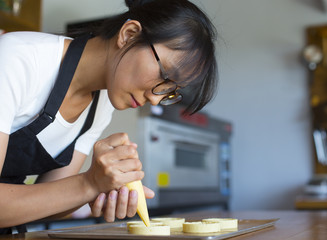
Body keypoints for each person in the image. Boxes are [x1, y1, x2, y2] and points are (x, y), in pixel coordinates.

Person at [0, 0, 217, 234]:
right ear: (129, 34)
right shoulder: (18, 59)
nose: (156, 99)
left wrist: (98, 189)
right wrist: (88, 183)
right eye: (164, 76)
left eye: (170, 90)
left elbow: (49, 200)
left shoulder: (101, 106)